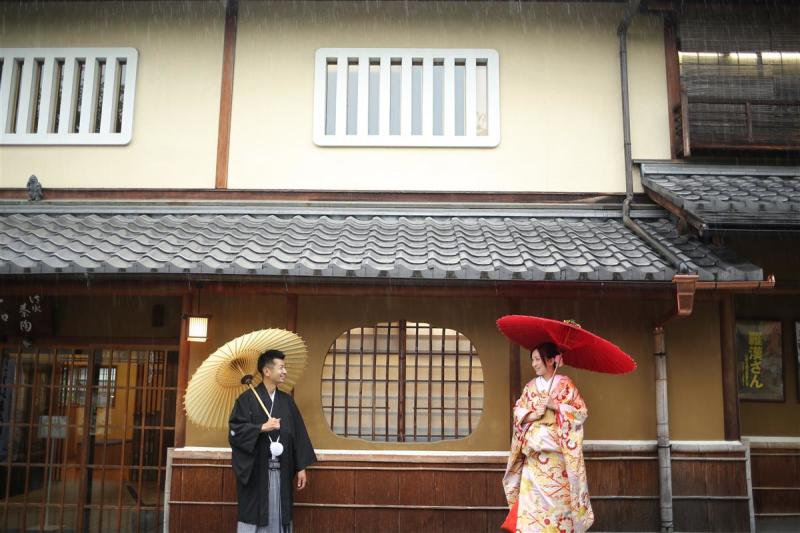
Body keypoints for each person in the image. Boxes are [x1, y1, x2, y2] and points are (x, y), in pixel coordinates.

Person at [502, 342, 594, 532]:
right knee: (531, 510)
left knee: (558, 511)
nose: (534, 364)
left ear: (552, 360)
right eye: (533, 360)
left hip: (557, 463)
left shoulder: (566, 385)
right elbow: (518, 412)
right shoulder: (530, 387)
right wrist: (533, 415)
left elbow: (581, 413)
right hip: (533, 462)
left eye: (538, 359)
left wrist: (557, 406)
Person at [229, 349, 317, 533]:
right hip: (257, 470)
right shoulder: (246, 400)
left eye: (285, 368)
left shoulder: (287, 402)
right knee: (256, 513)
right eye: (281, 367)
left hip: (283, 469)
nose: (285, 371)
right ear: (267, 371)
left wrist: (301, 467)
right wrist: (261, 427)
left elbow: (298, 434)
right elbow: (235, 432)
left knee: (280, 512)